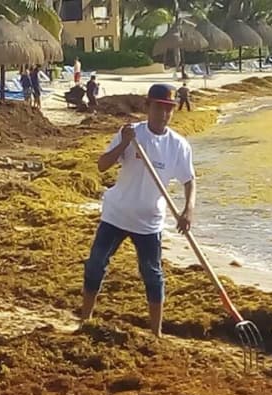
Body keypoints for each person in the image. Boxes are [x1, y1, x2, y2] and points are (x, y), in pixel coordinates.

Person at [79, 84, 195, 337]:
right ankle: (85, 319)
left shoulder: (178, 145)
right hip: (116, 214)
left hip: (148, 221)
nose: (163, 114)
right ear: (147, 107)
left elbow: (189, 180)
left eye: (168, 109)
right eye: (159, 108)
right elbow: (102, 165)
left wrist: (188, 210)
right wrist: (125, 144)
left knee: (152, 275)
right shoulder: (130, 133)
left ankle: (157, 333)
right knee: (96, 264)